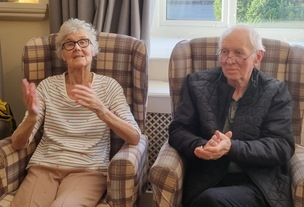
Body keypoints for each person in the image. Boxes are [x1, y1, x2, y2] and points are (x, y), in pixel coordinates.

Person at [11, 18, 141, 207]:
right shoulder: (47, 86)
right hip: (43, 167)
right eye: (69, 44)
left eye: (83, 42)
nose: (77, 48)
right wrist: (31, 116)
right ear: (62, 54)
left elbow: (134, 137)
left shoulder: (109, 87)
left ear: (94, 50)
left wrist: (101, 109)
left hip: (88, 170)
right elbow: (17, 143)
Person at [168, 25, 295, 207]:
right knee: (209, 199)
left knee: (211, 201)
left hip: (257, 183)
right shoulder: (197, 84)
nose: (229, 60)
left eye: (238, 53)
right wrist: (202, 145)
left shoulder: (275, 91)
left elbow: (281, 146)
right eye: (224, 52)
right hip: (208, 179)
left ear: (257, 57)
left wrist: (231, 147)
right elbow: (179, 130)